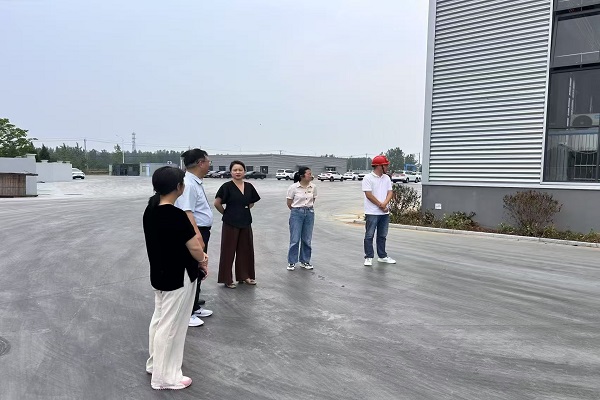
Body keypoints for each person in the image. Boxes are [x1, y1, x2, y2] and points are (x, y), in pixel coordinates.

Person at [142, 166, 209, 390]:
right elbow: (195, 248)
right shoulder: (176, 215)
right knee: (172, 327)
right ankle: (165, 377)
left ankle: (155, 365)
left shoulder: (150, 209)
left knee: (160, 320)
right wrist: (203, 259)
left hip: (159, 274)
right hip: (178, 276)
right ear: (179, 187)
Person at [174, 149, 214, 327]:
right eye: (208, 161)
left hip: (201, 230)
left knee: (198, 269)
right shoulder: (188, 184)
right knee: (191, 269)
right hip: (195, 232)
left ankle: (194, 305)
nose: (209, 164)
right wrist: (197, 236)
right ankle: (186, 313)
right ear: (200, 163)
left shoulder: (194, 181)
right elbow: (187, 212)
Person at [214, 160, 261, 288]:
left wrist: (242, 210)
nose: (238, 172)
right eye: (235, 170)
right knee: (228, 251)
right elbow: (217, 203)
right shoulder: (226, 186)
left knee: (246, 250)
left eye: (240, 170)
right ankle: (227, 279)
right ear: (231, 172)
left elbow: (251, 202)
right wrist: (227, 213)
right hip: (230, 222)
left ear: (244, 171)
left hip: (245, 222)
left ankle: (245, 276)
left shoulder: (249, 186)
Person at [362, 155, 396, 266]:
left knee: (382, 235)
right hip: (372, 212)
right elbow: (368, 195)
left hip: (384, 212)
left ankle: (382, 256)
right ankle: (368, 257)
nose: (387, 167)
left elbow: (390, 192)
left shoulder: (386, 178)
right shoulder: (368, 178)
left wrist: (385, 204)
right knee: (369, 235)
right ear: (379, 166)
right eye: (385, 165)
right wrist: (380, 205)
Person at [286, 167, 317, 271]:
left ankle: (305, 261)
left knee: (307, 239)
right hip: (296, 213)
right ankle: (292, 262)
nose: (311, 175)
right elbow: (289, 203)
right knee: (295, 239)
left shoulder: (313, 187)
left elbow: (313, 199)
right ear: (302, 176)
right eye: (309, 174)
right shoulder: (293, 187)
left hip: (309, 213)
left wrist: (307, 209)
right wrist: (297, 210)